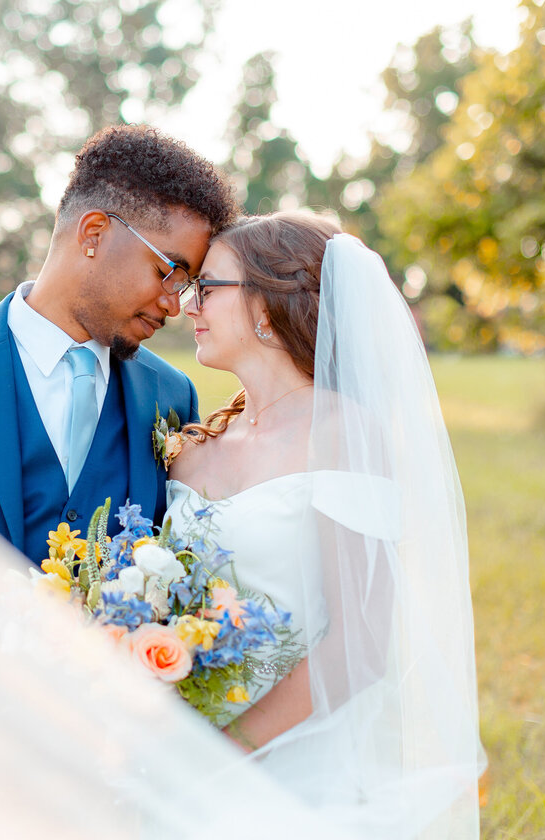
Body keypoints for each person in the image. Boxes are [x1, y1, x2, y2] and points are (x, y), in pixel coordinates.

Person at [165, 211, 485, 837]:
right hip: (182, 736)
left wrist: (220, 752)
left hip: (300, 764)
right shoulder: (197, 444)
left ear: (265, 305)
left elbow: (361, 645)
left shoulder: (343, 435)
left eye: (207, 288)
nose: (187, 305)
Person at [0, 125, 237, 563]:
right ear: (94, 233)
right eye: (168, 271)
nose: (174, 306)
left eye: (187, 284)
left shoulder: (172, 396)